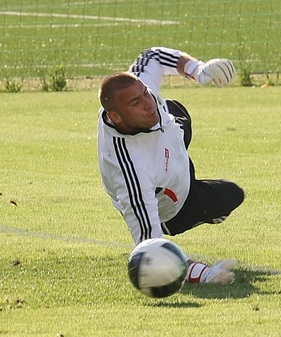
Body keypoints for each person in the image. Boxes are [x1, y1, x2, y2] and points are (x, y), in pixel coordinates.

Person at [97, 47, 244, 285]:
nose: (149, 103)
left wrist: (199, 70)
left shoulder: (143, 100)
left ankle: (176, 150)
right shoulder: (132, 171)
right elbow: (150, 247)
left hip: (171, 149)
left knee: (174, 108)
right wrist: (202, 274)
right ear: (115, 117)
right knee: (231, 195)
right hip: (173, 204)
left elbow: (152, 55)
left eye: (145, 93)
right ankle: (200, 210)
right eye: (136, 102)